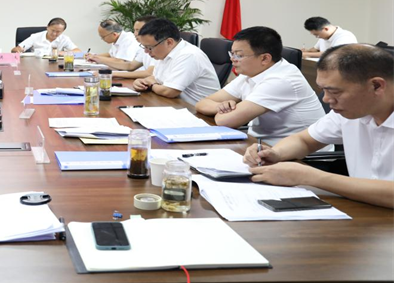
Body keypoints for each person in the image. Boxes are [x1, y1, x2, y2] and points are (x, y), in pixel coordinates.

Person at [244, 44, 394, 209]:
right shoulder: (351, 112)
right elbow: (304, 140)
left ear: (376, 86)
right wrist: (275, 153)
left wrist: (312, 177)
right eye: (323, 90)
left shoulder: (354, 109)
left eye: (334, 92)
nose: (326, 99)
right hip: (363, 208)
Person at [196, 26, 325, 143]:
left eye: (239, 55)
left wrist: (222, 111)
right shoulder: (250, 72)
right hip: (262, 144)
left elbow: (226, 121)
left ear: (264, 58)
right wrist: (220, 107)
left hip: (299, 155)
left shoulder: (281, 80)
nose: (232, 59)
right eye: (232, 53)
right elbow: (202, 103)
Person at [133, 18, 220, 105]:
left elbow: (169, 91)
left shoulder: (189, 55)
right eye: (144, 47)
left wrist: (151, 85)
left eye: (149, 47)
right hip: (175, 104)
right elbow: (155, 78)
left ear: (169, 42)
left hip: (196, 110)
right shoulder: (163, 53)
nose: (146, 51)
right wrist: (142, 82)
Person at [86, 16, 157, 79]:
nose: (135, 34)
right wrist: (96, 58)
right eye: (134, 30)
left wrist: (112, 73)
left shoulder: (157, 47)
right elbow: (130, 66)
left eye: (138, 30)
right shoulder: (144, 47)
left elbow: (149, 73)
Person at [11, 18, 80, 56]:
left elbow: (78, 51)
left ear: (62, 31)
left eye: (58, 32)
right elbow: (15, 49)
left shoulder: (64, 39)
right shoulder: (36, 36)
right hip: (36, 65)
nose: (54, 33)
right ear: (47, 27)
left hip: (55, 66)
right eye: (52, 30)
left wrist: (64, 53)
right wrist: (18, 50)